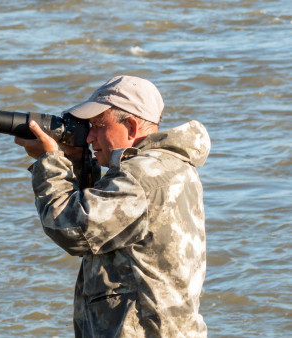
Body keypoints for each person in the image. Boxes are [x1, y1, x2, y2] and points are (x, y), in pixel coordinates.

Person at [14, 75, 210, 337]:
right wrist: (76, 163)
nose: (89, 136)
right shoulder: (169, 167)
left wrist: (49, 162)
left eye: (97, 126)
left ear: (130, 126)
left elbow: (71, 228)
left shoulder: (140, 176)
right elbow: (108, 217)